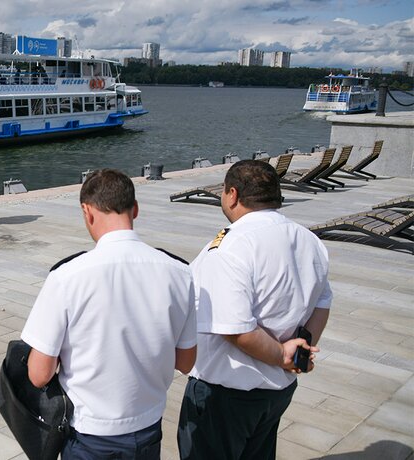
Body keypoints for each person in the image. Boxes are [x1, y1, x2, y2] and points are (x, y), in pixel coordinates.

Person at [21, 169, 196, 459]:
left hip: (88, 434)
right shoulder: (180, 272)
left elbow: (39, 375)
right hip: (148, 427)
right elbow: (187, 362)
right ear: (135, 209)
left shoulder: (67, 276)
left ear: (87, 212)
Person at [177, 159, 332, 460]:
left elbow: (237, 330)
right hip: (278, 389)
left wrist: (283, 356)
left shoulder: (231, 246)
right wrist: (300, 350)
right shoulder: (309, 240)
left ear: (232, 194)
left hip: (227, 392)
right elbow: (323, 302)